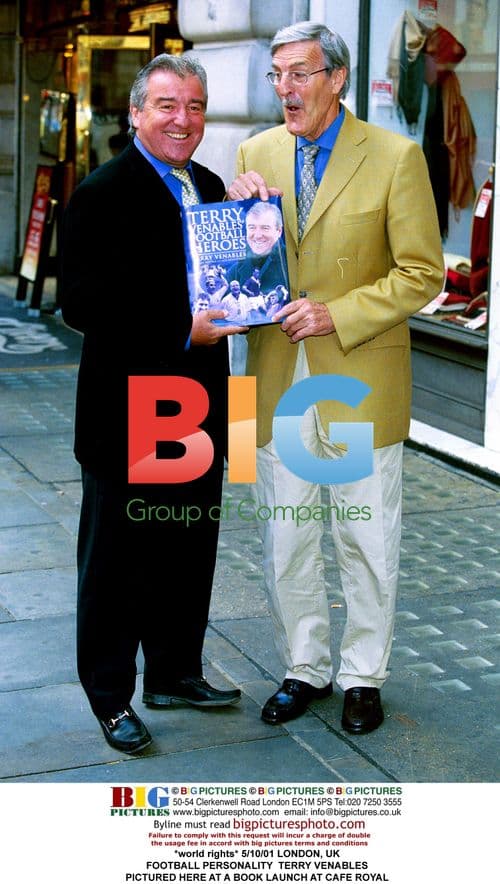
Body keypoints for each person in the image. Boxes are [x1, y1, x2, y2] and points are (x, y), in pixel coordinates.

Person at [227, 22, 444, 734]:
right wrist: (237, 215)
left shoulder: (396, 156)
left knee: (365, 539)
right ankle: (305, 666)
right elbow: (239, 271)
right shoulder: (254, 153)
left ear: (337, 77)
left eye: (300, 73)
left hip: (358, 379)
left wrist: (336, 314)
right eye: (277, 75)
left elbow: (423, 273)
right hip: (271, 378)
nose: (285, 89)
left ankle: (362, 675)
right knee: (284, 539)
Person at [59, 54, 246, 755]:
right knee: (116, 560)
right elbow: (82, 304)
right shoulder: (101, 192)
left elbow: (232, 282)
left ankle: (174, 672)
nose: (182, 119)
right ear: (137, 112)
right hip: (128, 410)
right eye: (167, 105)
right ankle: (111, 698)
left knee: (187, 546)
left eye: (194, 106)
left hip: (201, 406)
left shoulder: (211, 186)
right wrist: (181, 329)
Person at [227, 202, 289, 300]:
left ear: (279, 231)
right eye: (252, 228)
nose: (258, 235)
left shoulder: (292, 260)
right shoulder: (234, 271)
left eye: (265, 228)